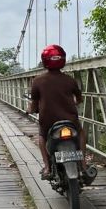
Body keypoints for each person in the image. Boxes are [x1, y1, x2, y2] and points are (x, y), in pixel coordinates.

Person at [26, 44, 87, 180]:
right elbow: (79, 98)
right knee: (81, 132)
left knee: (42, 136)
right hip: (70, 121)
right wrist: (75, 102)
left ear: (44, 61)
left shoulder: (37, 81)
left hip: (48, 121)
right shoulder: (70, 80)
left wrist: (29, 110)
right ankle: (83, 163)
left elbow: (34, 103)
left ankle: (47, 167)